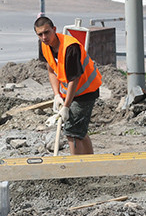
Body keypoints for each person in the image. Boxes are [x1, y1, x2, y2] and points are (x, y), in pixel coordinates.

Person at [34, 15, 102, 155]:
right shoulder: (44, 45)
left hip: (86, 90)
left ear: (54, 29)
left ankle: (76, 167)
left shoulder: (71, 48)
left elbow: (74, 80)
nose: (44, 37)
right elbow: (51, 70)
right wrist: (57, 95)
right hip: (70, 92)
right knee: (79, 130)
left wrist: (66, 107)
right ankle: (90, 164)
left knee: (72, 131)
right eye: (40, 34)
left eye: (47, 32)